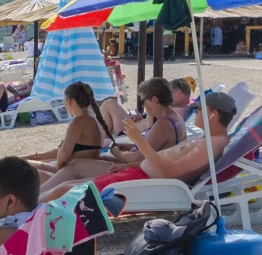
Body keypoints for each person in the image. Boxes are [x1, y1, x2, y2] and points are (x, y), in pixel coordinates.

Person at [36, 77, 185, 201]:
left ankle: (38, 197)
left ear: (154, 100)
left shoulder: (163, 125)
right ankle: (45, 189)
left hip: (142, 171)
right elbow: (151, 150)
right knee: (89, 161)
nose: (143, 105)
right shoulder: (172, 119)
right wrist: (128, 147)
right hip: (144, 166)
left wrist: (116, 152)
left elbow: (138, 157)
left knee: (75, 166)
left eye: (143, 101)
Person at [90, 91, 237, 192]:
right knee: (78, 186)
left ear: (214, 114)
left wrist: (139, 140)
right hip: (139, 173)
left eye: (200, 109)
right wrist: (130, 165)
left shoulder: (211, 145)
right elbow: (167, 161)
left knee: (78, 191)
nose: (196, 112)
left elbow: (170, 171)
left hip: (144, 183)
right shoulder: (207, 138)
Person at [22, 82, 108, 181]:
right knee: (24, 162)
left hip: (73, 174)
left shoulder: (78, 122)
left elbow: (64, 153)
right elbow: (65, 151)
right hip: (86, 171)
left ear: (69, 100)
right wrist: (35, 156)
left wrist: (58, 168)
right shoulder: (94, 119)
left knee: (23, 167)